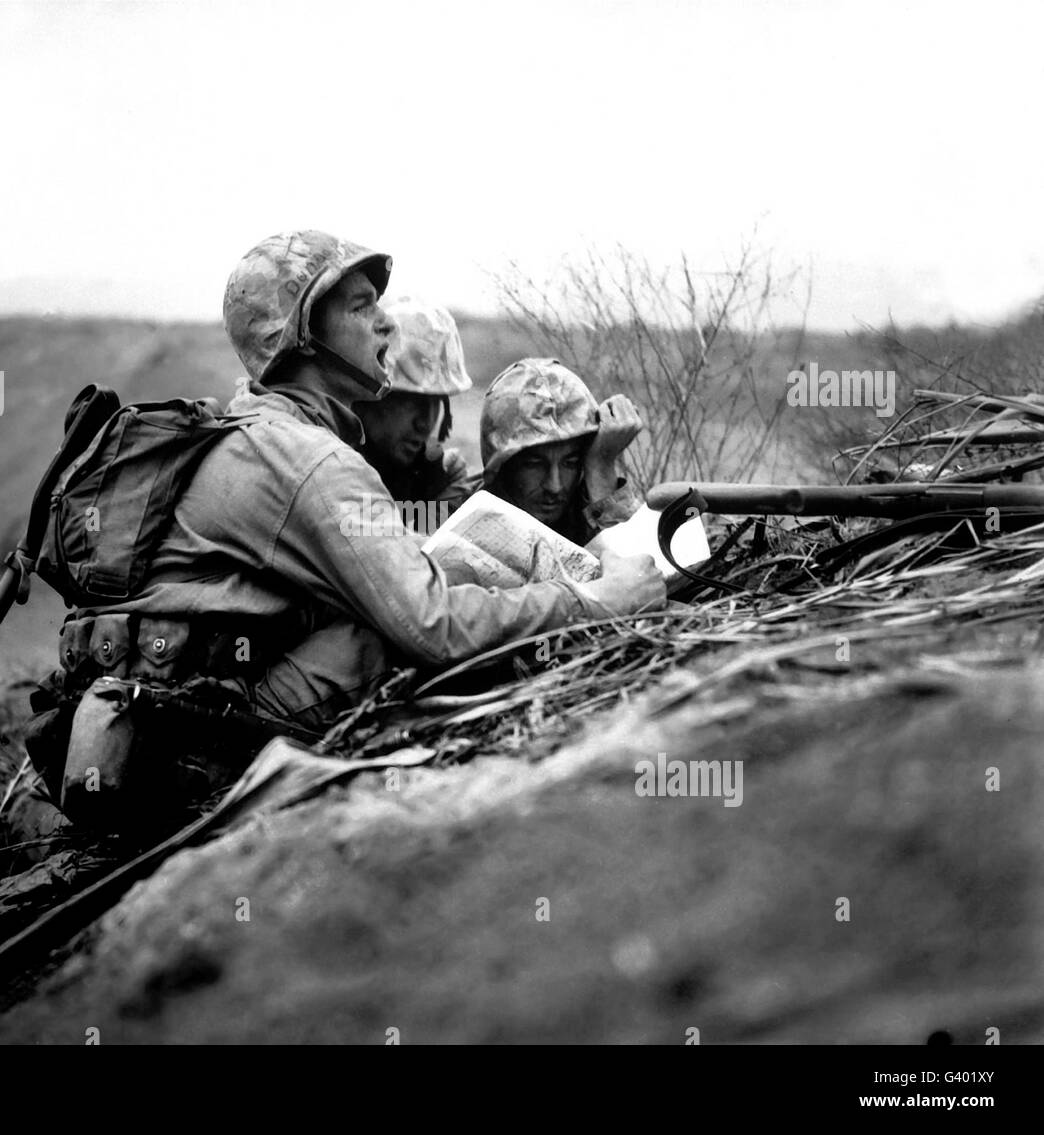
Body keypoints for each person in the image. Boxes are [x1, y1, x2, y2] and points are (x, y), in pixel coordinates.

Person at [53, 231, 665, 822]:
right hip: (204, 752)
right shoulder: (312, 462)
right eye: (360, 305)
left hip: (179, 723)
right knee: (391, 629)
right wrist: (592, 602)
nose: (385, 323)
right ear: (302, 335)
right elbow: (432, 627)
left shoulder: (255, 428)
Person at [479, 358, 644, 545]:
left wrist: (601, 465)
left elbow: (639, 565)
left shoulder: (588, 517)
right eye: (534, 465)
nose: (554, 486)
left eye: (570, 463)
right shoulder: (451, 505)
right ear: (502, 465)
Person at [353, 295, 477, 533]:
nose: (426, 422)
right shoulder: (326, 465)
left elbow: (429, 559)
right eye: (411, 401)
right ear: (368, 394)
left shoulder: (439, 475)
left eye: (436, 402)